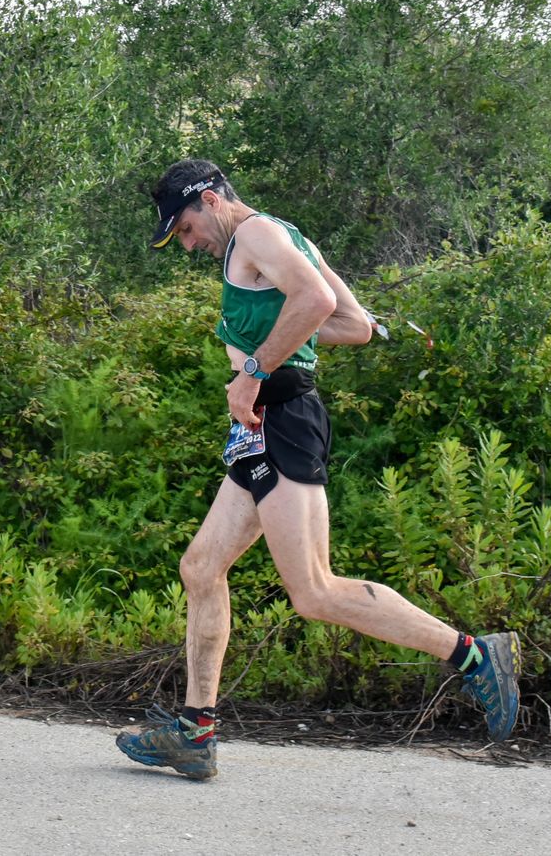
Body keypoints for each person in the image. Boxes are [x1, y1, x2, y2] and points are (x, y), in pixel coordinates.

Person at [115, 158, 521, 781]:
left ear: (211, 200)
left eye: (187, 228)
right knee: (200, 566)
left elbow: (319, 300)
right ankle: (195, 735)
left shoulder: (255, 234)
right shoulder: (285, 235)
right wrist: (276, 347)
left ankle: (473, 655)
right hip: (259, 427)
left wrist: (252, 373)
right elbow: (354, 325)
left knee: (314, 591)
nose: (188, 244)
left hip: (282, 421)